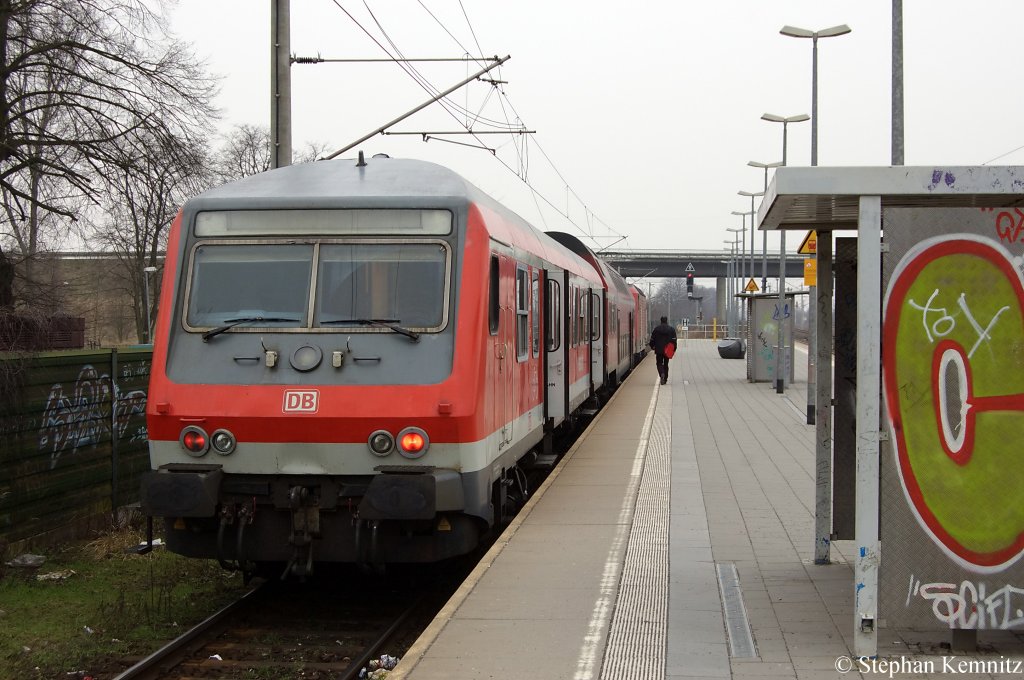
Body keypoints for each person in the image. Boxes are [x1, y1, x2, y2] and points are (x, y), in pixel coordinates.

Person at [649, 316, 677, 385]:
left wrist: (652, 346)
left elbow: (652, 340)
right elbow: (674, 340)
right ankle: (665, 379)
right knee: (666, 364)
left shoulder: (656, 329)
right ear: (666, 321)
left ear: (660, 321)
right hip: (668, 350)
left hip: (659, 350)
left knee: (659, 363)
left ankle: (662, 373)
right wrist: (674, 349)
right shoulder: (671, 329)